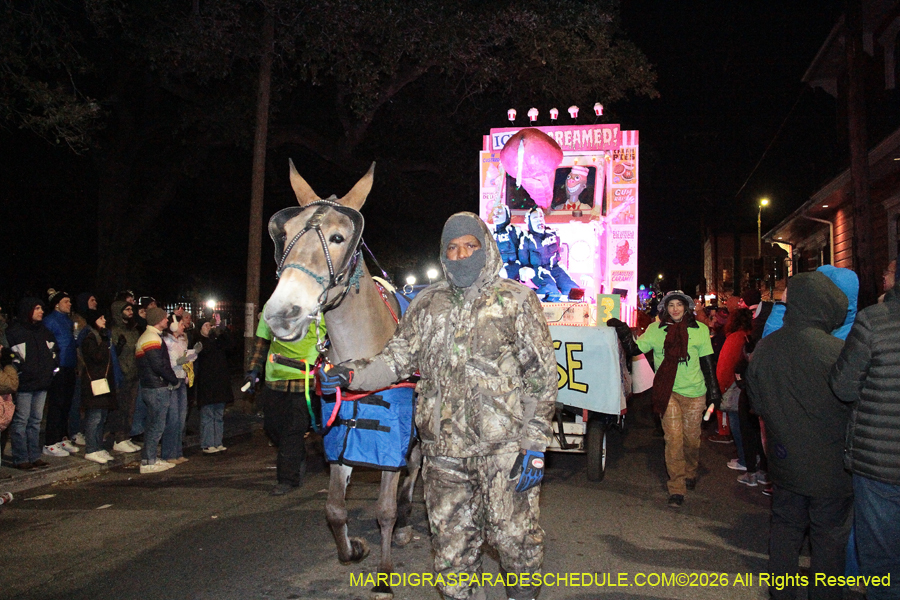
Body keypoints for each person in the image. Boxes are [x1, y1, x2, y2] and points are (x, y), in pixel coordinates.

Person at [323, 212, 557, 600]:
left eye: (470, 246)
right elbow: (395, 360)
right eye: (453, 248)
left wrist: (534, 445)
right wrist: (350, 374)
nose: (461, 254)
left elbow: (542, 376)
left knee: (516, 544)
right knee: (451, 556)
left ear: (486, 248)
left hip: (506, 453)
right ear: (443, 254)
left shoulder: (516, 300)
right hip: (444, 456)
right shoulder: (427, 303)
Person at [746, 272, 852, 600]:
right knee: (828, 540)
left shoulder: (766, 347)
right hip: (832, 468)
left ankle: (782, 594)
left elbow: (756, 402)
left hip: (785, 460)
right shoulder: (839, 352)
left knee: (785, 530)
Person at [609, 290, 720, 508]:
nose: (675, 309)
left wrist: (714, 393)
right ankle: (676, 487)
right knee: (673, 439)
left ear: (686, 307)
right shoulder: (655, 330)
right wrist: (622, 329)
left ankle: (690, 470)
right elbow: (634, 349)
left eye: (679, 304)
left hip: (695, 393)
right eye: (671, 305)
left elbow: (707, 363)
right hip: (666, 392)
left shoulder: (700, 330)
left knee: (691, 440)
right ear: (665, 309)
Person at [830, 272, 900, 599]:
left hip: (880, 461)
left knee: (883, 562)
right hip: (880, 460)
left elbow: (844, 386)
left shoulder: (874, 320)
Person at [245, 312, 324, 495]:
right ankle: (296, 453)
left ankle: (287, 479)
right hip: (275, 380)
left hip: (303, 381)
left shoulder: (318, 309)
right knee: (272, 427)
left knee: (294, 429)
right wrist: (253, 370)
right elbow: (261, 342)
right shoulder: (272, 307)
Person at [6, 297, 57, 470]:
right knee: (21, 421)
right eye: (37, 308)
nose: (41, 311)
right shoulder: (15, 332)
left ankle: (34, 456)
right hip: (24, 384)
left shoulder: (44, 331)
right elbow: (12, 358)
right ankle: (21, 457)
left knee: (35, 421)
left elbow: (54, 352)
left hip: (41, 383)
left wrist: (51, 369)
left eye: (41, 308)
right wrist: (20, 372)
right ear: (28, 310)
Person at [134, 307, 179, 474]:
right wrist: (173, 379)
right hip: (156, 387)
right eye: (165, 318)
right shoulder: (151, 338)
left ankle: (149, 459)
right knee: (156, 425)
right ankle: (149, 462)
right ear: (158, 320)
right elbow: (158, 365)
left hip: (152, 385)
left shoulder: (150, 336)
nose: (167, 320)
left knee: (153, 424)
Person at [41, 289, 80, 457]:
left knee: (66, 404)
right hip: (59, 366)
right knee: (56, 404)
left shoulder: (68, 321)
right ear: (57, 304)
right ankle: (50, 442)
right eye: (66, 301)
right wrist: (53, 364)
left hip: (70, 365)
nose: (69, 304)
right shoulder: (50, 321)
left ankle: (62, 437)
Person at [80, 309, 119, 465]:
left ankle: (98, 446)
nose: (104, 320)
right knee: (94, 417)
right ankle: (91, 449)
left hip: (103, 381)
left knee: (101, 417)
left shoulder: (99, 337)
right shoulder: (89, 337)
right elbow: (97, 357)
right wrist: (103, 341)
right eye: (100, 317)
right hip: (94, 383)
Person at [161, 314, 199, 466]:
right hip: (172, 381)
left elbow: (185, 359)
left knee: (181, 419)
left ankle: (178, 452)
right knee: (173, 419)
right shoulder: (166, 341)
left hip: (182, 379)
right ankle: (169, 453)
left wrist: (193, 354)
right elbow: (169, 362)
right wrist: (183, 359)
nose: (184, 326)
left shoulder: (182, 340)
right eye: (181, 324)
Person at [518, 207, 578, 302]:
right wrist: (525, 271)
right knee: (550, 290)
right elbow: (523, 260)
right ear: (529, 222)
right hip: (538, 270)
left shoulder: (553, 235)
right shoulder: (526, 239)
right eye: (535, 218)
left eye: (541, 217)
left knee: (573, 290)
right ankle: (534, 296)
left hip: (555, 268)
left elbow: (557, 255)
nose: (539, 220)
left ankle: (574, 307)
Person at [195, 316, 233, 453]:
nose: (209, 328)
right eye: (206, 326)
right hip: (207, 384)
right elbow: (204, 352)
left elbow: (230, 345)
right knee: (208, 414)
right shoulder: (199, 342)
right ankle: (207, 443)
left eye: (210, 325)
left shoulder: (218, 341)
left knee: (218, 415)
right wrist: (212, 337)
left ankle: (218, 442)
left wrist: (221, 331)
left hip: (220, 383)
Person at [108, 301, 141, 453]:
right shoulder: (114, 330)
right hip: (122, 373)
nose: (130, 312)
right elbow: (113, 354)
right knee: (121, 407)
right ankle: (119, 438)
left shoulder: (133, 330)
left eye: (130, 309)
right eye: (127, 309)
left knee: (130, 407)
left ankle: (126, 436)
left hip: (134, 372)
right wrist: (118, 347)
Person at [490, 204, 523, 280]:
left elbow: (522, 250)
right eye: (494, 213)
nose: (496, 214)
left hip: (514, 267)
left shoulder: (514, 230)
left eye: (499, 211)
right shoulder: (491, 233)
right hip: (498, 269)